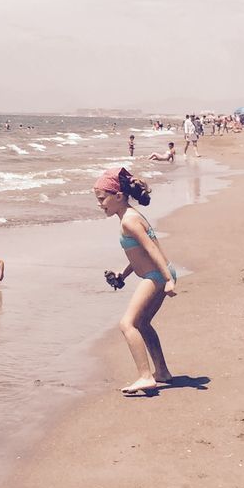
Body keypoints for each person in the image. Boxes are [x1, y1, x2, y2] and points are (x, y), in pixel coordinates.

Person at [94, 167, 176, 395]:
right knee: (142, 323)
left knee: (127, 324)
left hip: (157, 276)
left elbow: (152, 249)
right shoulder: (129, 217)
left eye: (102, 199)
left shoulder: (128, 221)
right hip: (158, 273)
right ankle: (162, 372)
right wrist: (122, 275)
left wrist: (168, 280)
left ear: (118, 196)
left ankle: (145, 376)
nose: (100, 204)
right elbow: (141, 255)